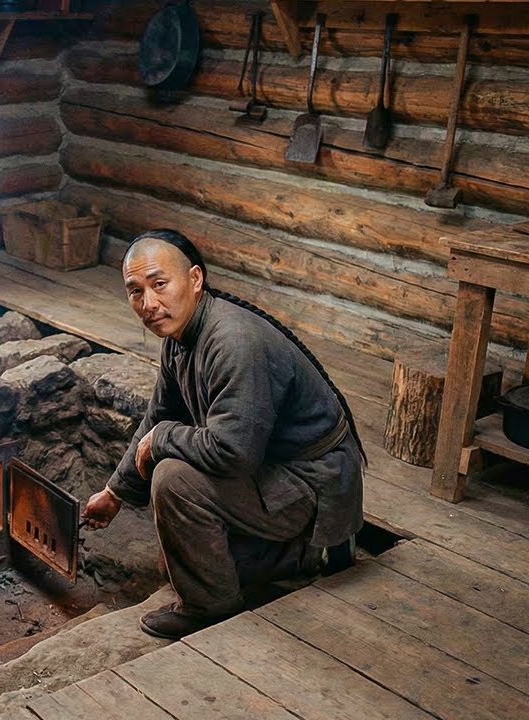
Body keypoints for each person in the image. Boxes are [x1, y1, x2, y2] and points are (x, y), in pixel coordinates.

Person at [82, 229, 365, 640]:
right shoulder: (180, 337)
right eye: (136, 291)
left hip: (312, 482)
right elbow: (157, 415)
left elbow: (233, 452)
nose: (149, 303)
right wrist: (115, 493)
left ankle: (209, 608)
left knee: (174, 479)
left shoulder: (233, 341)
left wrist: (163, 438)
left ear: (195, 279)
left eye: (160, 284)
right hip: (273, 471)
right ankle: (294, 556)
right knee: (180, 560)